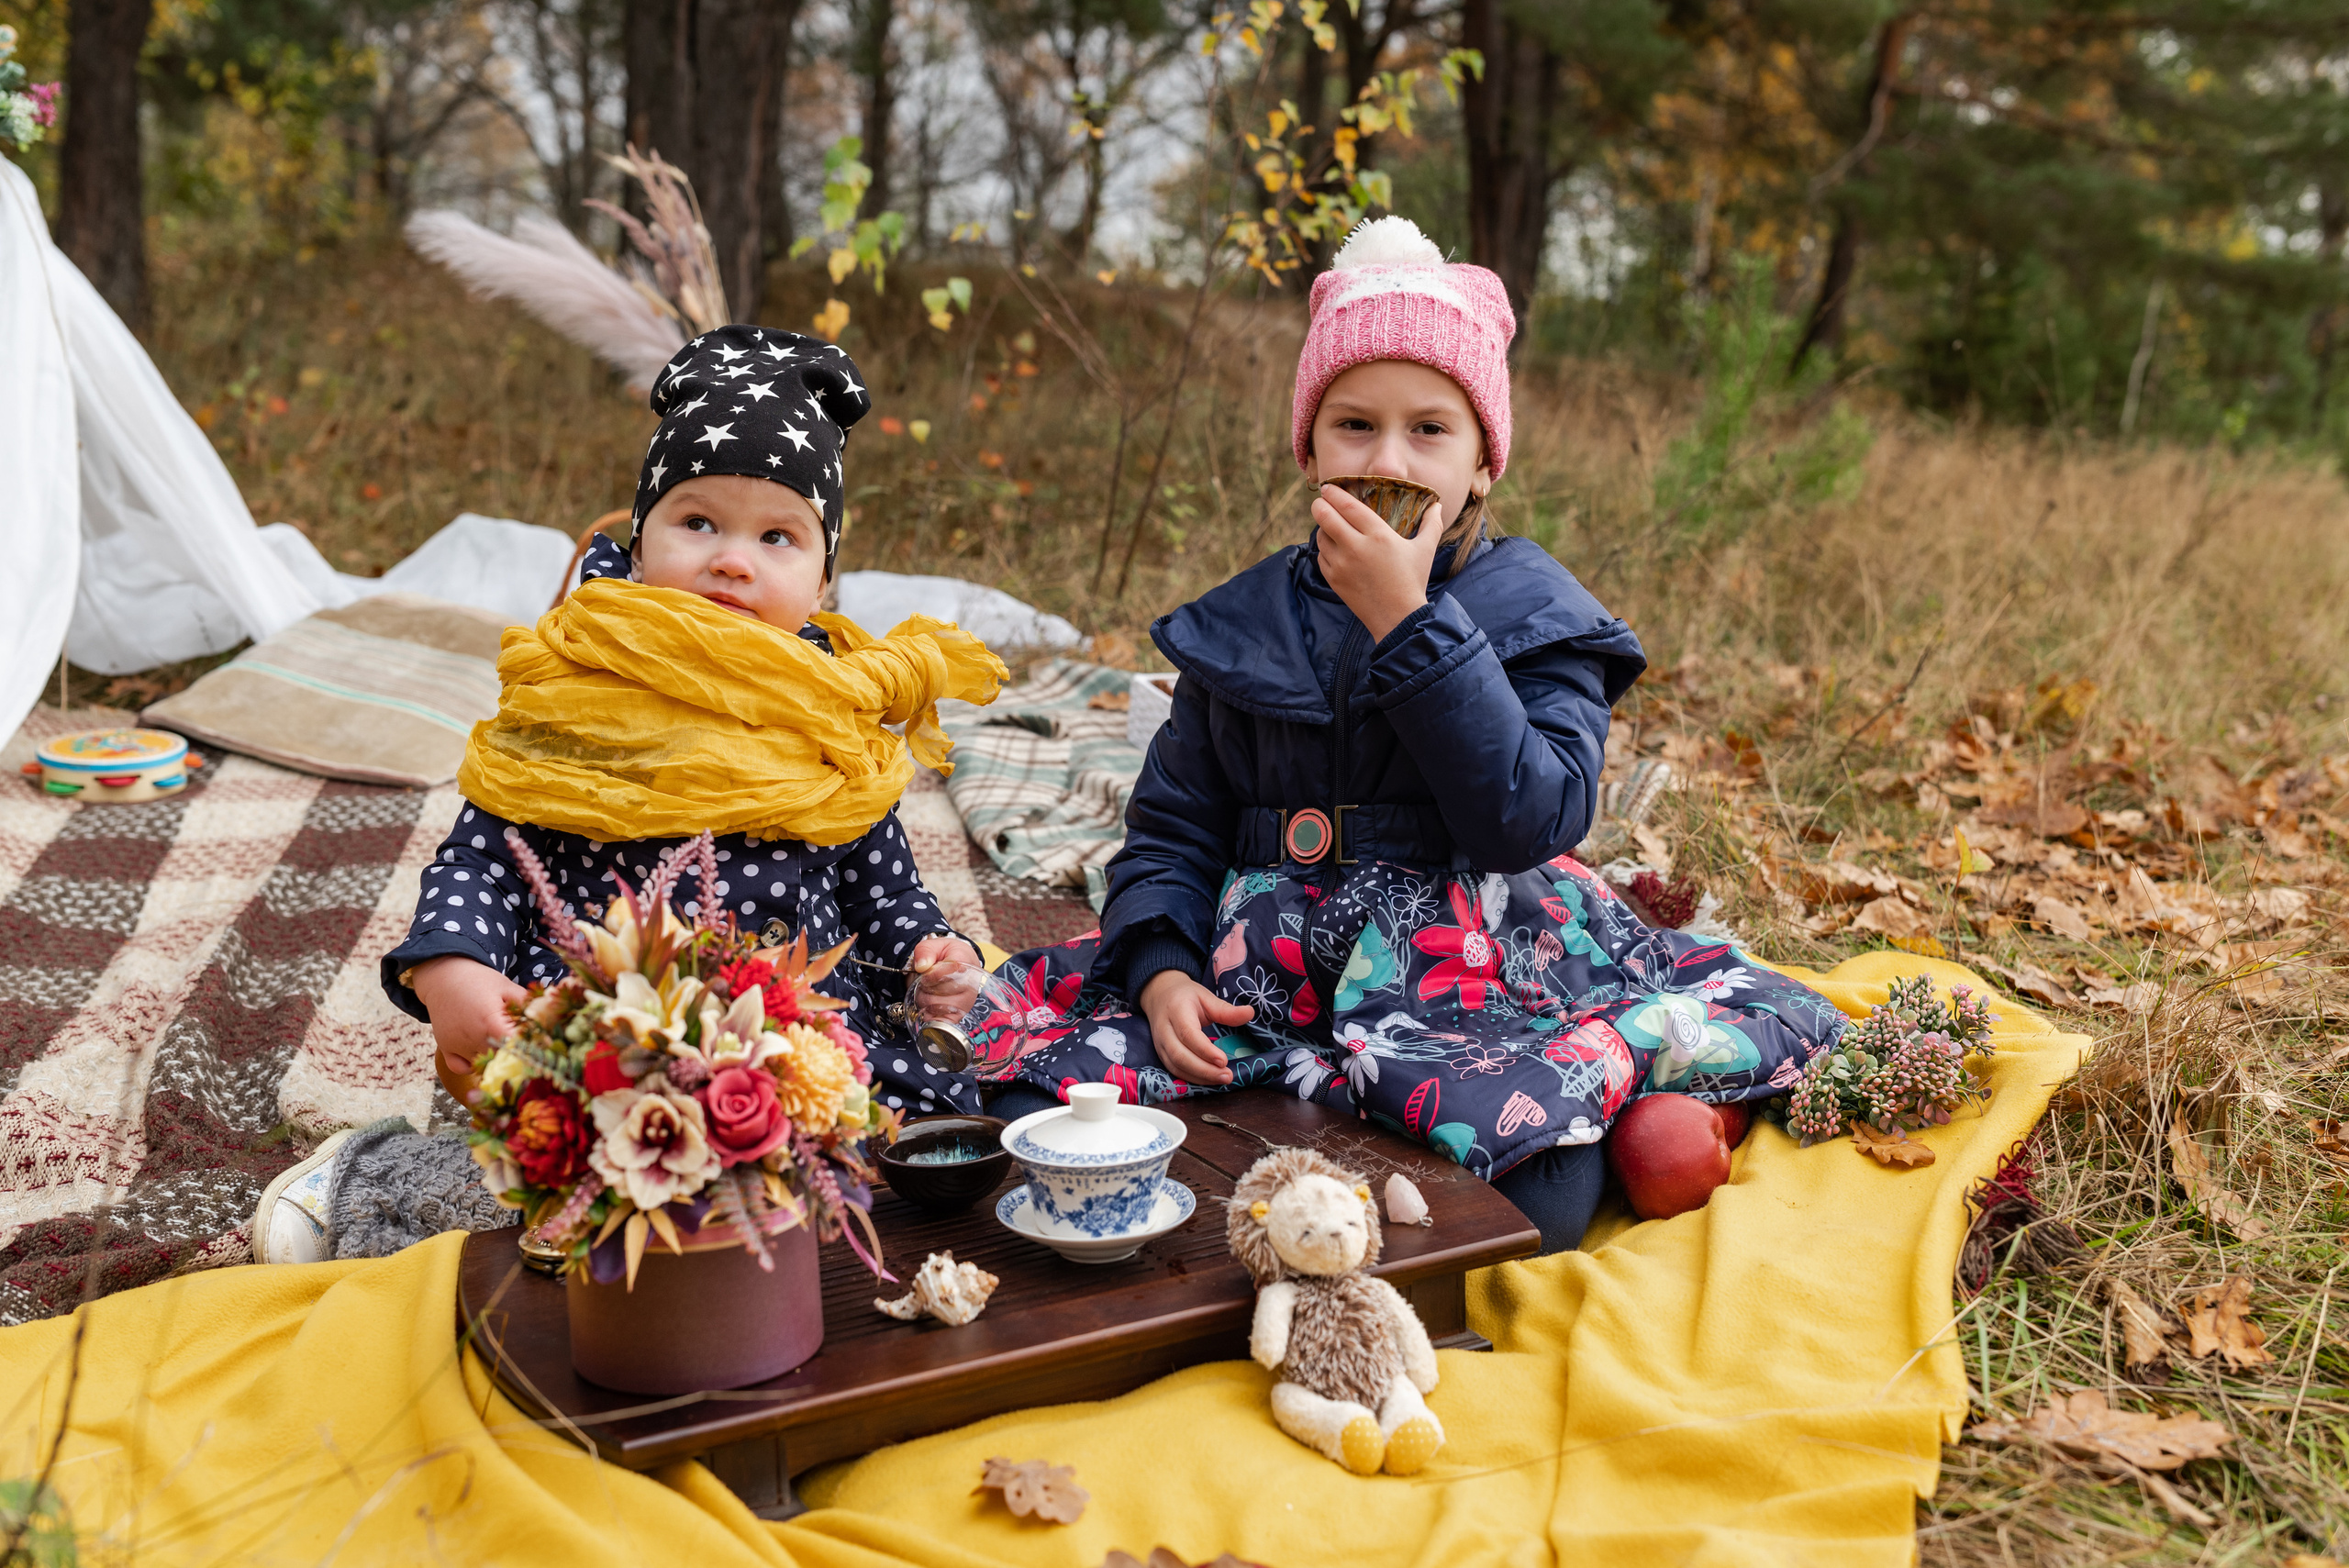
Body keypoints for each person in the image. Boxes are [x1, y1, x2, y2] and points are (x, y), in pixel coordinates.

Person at [977, 218, 1848, 1253]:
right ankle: (1298, 1134)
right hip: (1275, 965)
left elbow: (1530, 811)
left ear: (1484, 464)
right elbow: (1172, 827)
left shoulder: (1536, 613)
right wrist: (1164, 964)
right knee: (1028, 1090)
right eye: (1354, 425)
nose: (1387, 458)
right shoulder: (1241, 625)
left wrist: (1414, 625)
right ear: (1308, 447)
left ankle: (1608, 1116)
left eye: (1429, 430)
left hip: (1472, 964)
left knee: (1544, 1202)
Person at [256, 325, 1004, 1264]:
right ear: (640, 539)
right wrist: (453, 965)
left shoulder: (831, 717)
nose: (734, 559)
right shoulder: (581, 685)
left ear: (822, 578)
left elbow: (879, 886)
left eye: (777, 536)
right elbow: (485, 852)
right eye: (699, 522)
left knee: (914, 1149)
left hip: (792, 1035)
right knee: (564, 1188)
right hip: (609, 1026)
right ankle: (371, 1176)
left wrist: (928, 950)